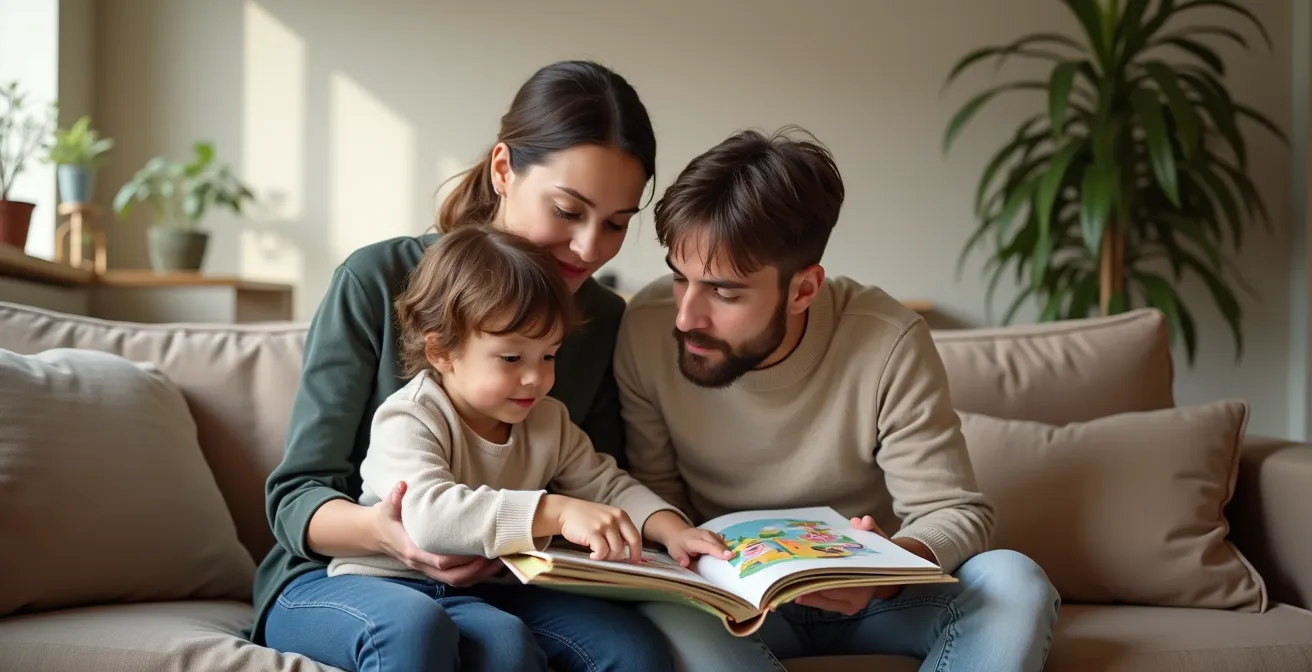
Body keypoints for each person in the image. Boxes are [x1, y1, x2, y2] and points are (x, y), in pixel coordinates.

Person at [250, 60, 684, 672]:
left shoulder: (602, 318)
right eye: (566, 210)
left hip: (503, 579)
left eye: (616, 224)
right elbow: (297, 497)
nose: (589, 248)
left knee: (628, 652)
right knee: (420, 630)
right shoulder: (375, 280)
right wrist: (392, 535)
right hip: (348, 571)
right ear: (504, 169)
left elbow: (596, 479)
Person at [614, 127, 1062, 671]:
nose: (686, 316)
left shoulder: (888, 339)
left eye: (724, 291)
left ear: (803, 289)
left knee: (1014, 580)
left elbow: (953, 510)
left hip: (874, 600)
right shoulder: (646, 327)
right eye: (680, 278)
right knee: (663, 610)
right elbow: (656, 495)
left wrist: (885, 568)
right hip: (734, 608)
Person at [320, 224, 728, 671]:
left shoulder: (547, 420)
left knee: (624, 649)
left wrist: (671, 529)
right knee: (440, 632)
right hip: (384, 583)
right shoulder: (411, 417)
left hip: (482, 589)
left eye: (549, 355)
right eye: (512, 358)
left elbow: (605, 485)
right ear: (441, 352)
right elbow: (430, 517)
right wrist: (555, 511)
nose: (536, 378)